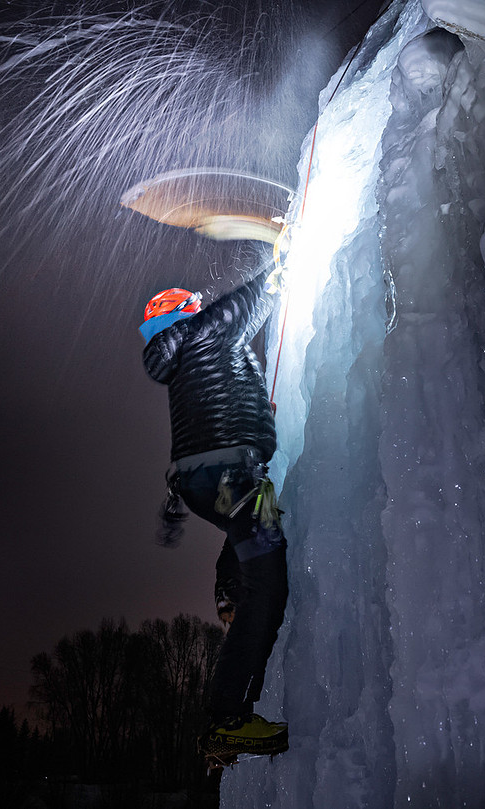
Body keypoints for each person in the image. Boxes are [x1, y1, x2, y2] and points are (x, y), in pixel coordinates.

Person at [140, 269, 289, 763]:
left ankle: (229, 588)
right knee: (268, 582)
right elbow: (256, 296)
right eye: (196, 302)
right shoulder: (207, 329)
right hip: (233, 476)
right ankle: (228, 716)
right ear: (187, 310)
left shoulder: (178, 354)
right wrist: (280, 261)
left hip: (206, 485)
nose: (204, 305)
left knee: (251, 533)